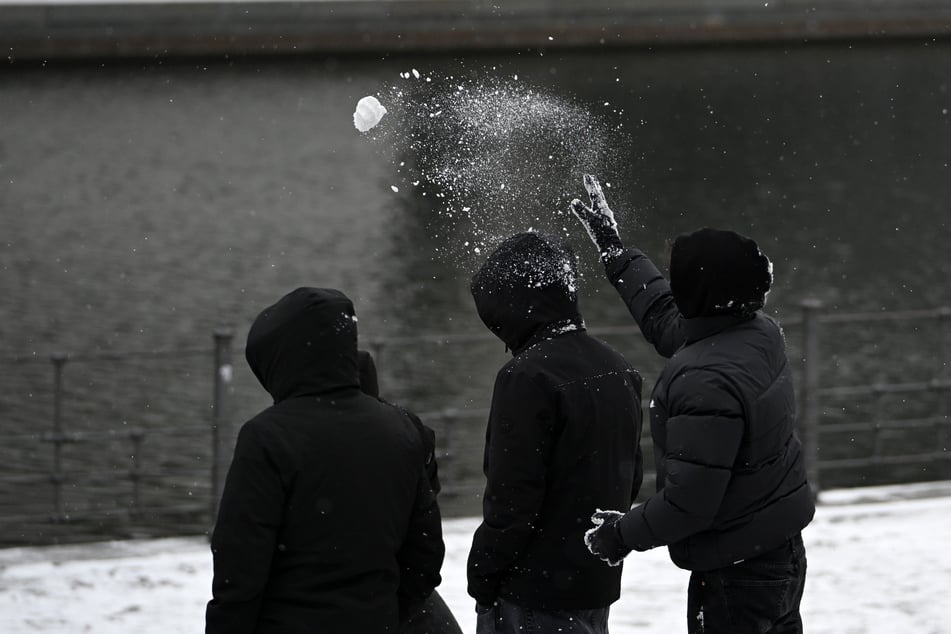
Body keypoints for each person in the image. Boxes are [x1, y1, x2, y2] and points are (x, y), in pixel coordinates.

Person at [571, 174, 815, 633]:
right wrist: (615, 250)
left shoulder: (704, 381)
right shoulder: (755, 332)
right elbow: (666, 318)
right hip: (776, 549)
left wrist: (620, 536)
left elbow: (690, 504)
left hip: (736, 575)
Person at [206, 287, 445, 634]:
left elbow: (238, 569)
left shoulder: (268, 437)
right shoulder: (402, 429)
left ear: (279, 360)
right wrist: (384, 612)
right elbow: (424, 554)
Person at [466, 231, 644, 634]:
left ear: (513, 307)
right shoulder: (618, 367)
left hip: (532, 591)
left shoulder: (527, 376)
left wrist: (483, 574)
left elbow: (512, 499)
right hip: (593, 582)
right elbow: (630, 476)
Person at [357, 349, 463, 634]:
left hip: (368, 583)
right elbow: (425, 530)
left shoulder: (310, 435)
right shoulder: (407, 428)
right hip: (403, 577)